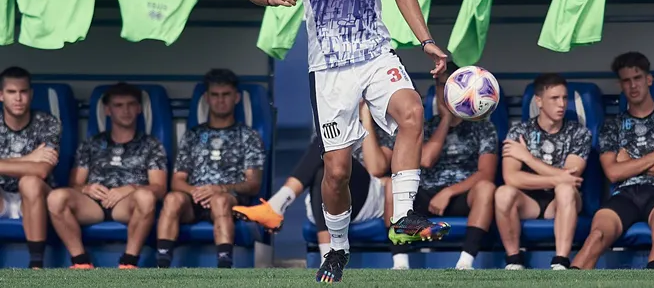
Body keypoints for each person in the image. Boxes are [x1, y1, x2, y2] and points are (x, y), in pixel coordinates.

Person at [240, 0, 447, 282]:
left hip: (375, 53)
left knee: (412, 111)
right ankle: (337, 248)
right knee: (335, 172)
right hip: (330, 69)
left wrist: (425, 39)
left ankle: (405, 218)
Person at [570, 52, 654, 270]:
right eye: (626, 81)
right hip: (625, 194)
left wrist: (630, 164)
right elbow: (613, 174)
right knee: (597, 235)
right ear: (621, 85)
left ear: (648, 79)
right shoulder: (612, 126)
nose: (633, 86)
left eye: (637, 78)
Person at [241, 100, 394, 264]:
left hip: (369, 199)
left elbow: (375, 169)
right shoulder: (335, 122)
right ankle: (328, 259)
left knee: (330, 151)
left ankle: (277, 204)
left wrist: (365, 118)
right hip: (331, 199)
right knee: (324, 169)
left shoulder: (386, 122)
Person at [385, 62, 498, 270]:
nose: (444, 91)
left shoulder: (483, 128)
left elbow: (487, 174)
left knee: (486, 189)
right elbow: (426, 160)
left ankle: (465, 262)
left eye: (448, 85)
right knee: (393, 187)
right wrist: (446, 120)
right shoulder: (424, 126)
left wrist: (449, 192)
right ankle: (400, 262)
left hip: (461, 195)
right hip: (425, 195)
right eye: (440, 85)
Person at [46, 83, 168, 269]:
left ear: (138, 109)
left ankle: (129, 263)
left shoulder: (151, 144)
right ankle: (81, 262)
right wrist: (86, 188)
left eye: (130, 104)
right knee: (56, 197)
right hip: (93, 204)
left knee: (146, 196)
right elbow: (74, 184)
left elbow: (159, 188)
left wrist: (131, 188)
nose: (125, 110)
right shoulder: (91, 144)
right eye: (119, 105)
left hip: (127, 205)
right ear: (108, 110)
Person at [155, 69, 266, 269]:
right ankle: (162, 265)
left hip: (229, 199)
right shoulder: (193, 135)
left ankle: (224, 266)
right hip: (193, 199)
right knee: (172, 199)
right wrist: (196, 192)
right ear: (206, 98)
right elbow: (177, 180)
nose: (220, 100)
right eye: (215, 95)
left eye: (226, 95)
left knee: (220, 201)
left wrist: (219, 189)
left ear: (236, 97)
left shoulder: (248, 135)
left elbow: (253, 184)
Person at [494, 73, 591, 270]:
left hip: (561, 202)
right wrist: (558, 177)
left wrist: (528, 158)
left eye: (564, 98)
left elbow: (571, 177)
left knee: (565, 189)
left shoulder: (579, 133)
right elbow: (511, 177)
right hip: (529, 201)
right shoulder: (519, 132)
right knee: (503, 193)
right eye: (554, 98)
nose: (562, 104)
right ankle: (514, 260)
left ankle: (561, 261)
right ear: (539, 101)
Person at [0, 66, 61, 269]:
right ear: (1, 95)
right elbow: (34, 164)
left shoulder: (48, 123)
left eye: (23, 92)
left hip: (36, 199)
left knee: (31, 182)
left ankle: (36, 267)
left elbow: (42, 170)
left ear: (31, 94)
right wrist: (29, 158)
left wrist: (7, 164)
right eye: (11, 92)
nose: (18, 98)